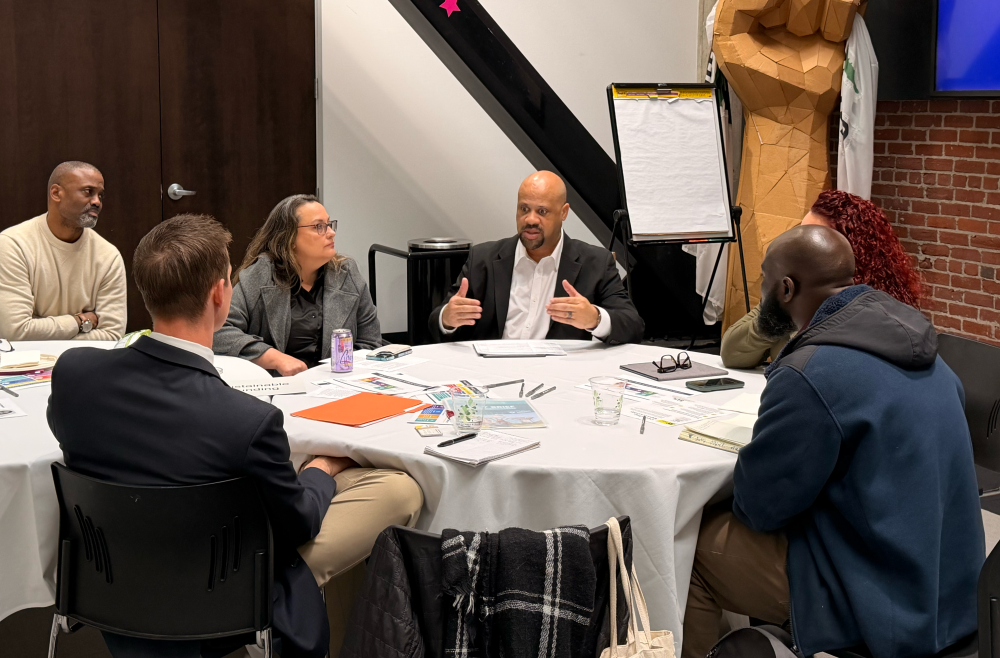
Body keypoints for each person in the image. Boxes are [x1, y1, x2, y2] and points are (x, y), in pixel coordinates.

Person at [47, 214, 423, 658]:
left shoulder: (73, 374)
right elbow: (300, 523)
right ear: (219, 294)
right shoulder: (248, 421)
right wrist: (321, 469)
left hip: (106, 583)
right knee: (400, 489)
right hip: (222, 595)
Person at [683, 225, 983, 658]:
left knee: (690, 545)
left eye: (765, 280)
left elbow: (760, 508)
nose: (762, 292)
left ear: (786, 288)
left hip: (878, 599)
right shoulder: (923, 349)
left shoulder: (810, 372)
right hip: (953, 588)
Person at [428, 171, 644, 344]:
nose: (530, 220)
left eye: (542, 211)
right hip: (493, 372)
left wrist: (595, 318)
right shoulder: (482, 258)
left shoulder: (595, 263)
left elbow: (633, 326)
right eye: (524, 209)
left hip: (560, 374)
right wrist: (447, 319)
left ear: (563, 212)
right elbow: (437, 321)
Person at [720, 189, 921, 368]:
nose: (800, 244)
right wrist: (775, 316)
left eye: (812, 236)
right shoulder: (797, 285)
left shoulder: (871, 307)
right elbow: (731, 354)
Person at [214, 195, 381, 376]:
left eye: (329, 224)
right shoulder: (261, 275)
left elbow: (370, 342)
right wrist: (273, 357)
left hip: (338, 383)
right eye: (318, 227)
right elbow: (217, 330)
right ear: (290, 238)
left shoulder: (346, 273)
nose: (331, 233)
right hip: (281, 385)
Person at [0, 161, 126, 341]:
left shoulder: (108, 256)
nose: (97, 202)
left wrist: (40, 329)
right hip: (5, 357)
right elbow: (17, 332)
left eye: (100, 195)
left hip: (77, 359)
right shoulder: (13, 244)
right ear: (56, 193)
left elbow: (112, 335)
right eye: (88, 192)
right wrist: (80, 322)